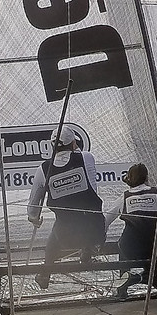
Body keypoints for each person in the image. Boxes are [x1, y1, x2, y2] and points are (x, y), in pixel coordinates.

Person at [26, 122, 104, 289]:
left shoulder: (43, 169)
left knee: (56, 233)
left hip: (65, 237)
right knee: (90, 217)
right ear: (74, 143)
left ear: (52, 146)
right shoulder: (86, 157)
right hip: (95, 232)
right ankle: (88, 251)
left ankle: (45, 274)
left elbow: (33, 207)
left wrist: (34, 218)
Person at [104, 163, 157, 297]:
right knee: (155, 274)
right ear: (147, 178)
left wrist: (99, 239)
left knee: (123, 250)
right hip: (152, 249)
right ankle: (153, 282)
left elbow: (105, 221)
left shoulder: (124, 196)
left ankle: (123, 289)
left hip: (129, 249)